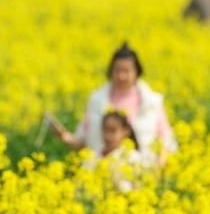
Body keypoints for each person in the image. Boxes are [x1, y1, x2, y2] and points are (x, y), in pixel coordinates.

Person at [49, 42, 178, 163]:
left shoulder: (151, 102)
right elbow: (84, 142)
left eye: (126, 71)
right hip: (100, 172)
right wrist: (65, 137)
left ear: (136, 73)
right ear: (111, 71)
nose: (121, 76)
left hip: (141, 173)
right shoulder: (96, 101)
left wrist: (158, 170)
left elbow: (166, 142)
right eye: (117, 70)